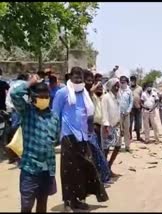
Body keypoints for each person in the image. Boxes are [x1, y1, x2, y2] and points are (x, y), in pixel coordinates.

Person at [53, 67, 108, 211]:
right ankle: (68, 202)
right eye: (75, 77)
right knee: (68, 170)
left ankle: (78, 199)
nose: (78, 80)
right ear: (70, 77)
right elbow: (54, 114)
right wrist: (53, 136)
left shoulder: (85, 93)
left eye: (80, 77)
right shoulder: (62, 93)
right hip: (68, 136)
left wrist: (90, 131)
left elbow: (88, 114)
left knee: (83, 169)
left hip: (83, 137)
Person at [11, 75, 60, 212]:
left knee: (42, 204)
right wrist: (29, 84)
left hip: (47, 169)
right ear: (33, 97)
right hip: (30, 168)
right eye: (41, 96)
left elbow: (56, 138)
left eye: (46, 96)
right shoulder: (27, 112)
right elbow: (14, 94)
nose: (44, 99)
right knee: (26, 206)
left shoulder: (54, 117)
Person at [84, 70, 111, 187]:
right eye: (89, 81)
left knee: (102, 152)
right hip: (92, 128)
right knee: (96, 154)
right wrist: (94, 88)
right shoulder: (90, 96)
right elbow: (90, 93)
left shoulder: (102, 98)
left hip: (101, 127)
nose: (99, 88)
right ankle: (99, 179)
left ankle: (103, 176)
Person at [101, 78, 122, 176]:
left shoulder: (118, 97)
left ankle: (109, 166)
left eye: (118, 85)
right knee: (106, 149)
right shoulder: (106, 97)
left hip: (116, 125)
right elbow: (104, 112)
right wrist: (106, 125)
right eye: (115, 85)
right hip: (108, 127)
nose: (117, 87)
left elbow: (118, 111)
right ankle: (104, 170)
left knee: (117, 147)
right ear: (110, 86)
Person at [119, 76, 133, 152]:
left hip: (126, 114)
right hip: (118, 113)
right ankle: (118, 145)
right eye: (121, 81)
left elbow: (131, 102)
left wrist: (128, 111)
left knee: (127, 130)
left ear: (127, 82)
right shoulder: (118, 90)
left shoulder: (129, 91)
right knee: (118, 130)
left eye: (124, 81)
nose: (122, 83)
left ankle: (127, 146)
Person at [129, 76, 143, 141]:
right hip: (130, 108)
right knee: (130, 123)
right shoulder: (128, 88)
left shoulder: (140, 88)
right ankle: (130, 136)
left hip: (138, 108)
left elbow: (142, 98)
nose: (132, 81)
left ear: (135, 81)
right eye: (131, 80)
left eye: (134, 80)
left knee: (138, 123)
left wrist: (141, 106)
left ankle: (138, 136)